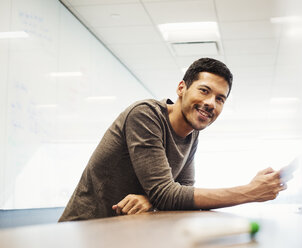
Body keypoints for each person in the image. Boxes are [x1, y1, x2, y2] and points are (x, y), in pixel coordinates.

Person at [59, 58, 288, 222]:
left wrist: (153, 199)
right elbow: (167, 194)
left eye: (220, 99)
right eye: (204, 91)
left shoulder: (192, 132)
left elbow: (182, 190)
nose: (211, 103)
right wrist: (249, 192)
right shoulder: (146, 115)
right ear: (181, 88)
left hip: (123, 231)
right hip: (85, 230)